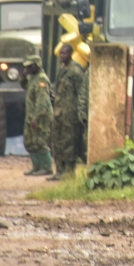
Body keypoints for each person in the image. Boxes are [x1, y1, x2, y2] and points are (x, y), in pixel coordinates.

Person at [48, 44, 88, 181]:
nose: (62, 56)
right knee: (57, 142)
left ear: (70, 54)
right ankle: (59, 170)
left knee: (69, 143)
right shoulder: (61, 69)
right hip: (59, 113)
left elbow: (81, 93)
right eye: (60, 53)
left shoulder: (76, 71)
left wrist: (81, 113)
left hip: (70, 115)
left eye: (64, 53)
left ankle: (69, 171)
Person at [20, 55, 53, 176]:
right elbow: (24, 86)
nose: (27, 68)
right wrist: (23, 76)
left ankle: (46, 167)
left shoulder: (41, 80)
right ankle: (36, 166)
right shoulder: (33, 78)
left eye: (30, 66)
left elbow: (42, 102)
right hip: (31, 116)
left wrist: (36, 118)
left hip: (40, 116)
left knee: (40, 142)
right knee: (29, 142)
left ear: (37, 65)